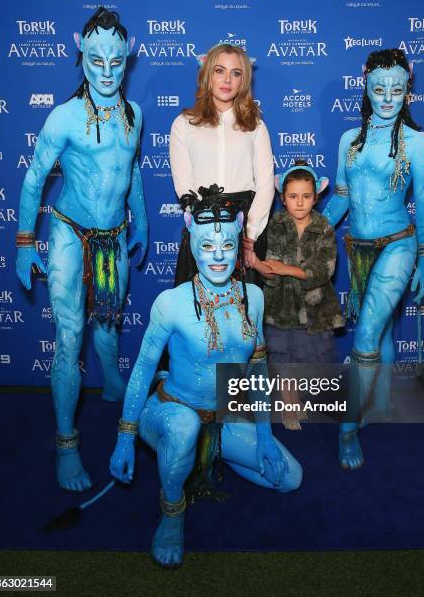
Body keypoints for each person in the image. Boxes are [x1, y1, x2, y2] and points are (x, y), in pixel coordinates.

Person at [110, 186, 302, 568]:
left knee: (291, 478)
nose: (217, 256)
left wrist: (264, 434)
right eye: (207, 246)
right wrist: (124, 440)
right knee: (183, 429)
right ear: (192, 246)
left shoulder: (254, 298)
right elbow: (142, 371)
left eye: (227, 246)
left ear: (239, 244)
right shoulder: (171, 303)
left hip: (223, 419)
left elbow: (259, 371)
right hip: (170, 411)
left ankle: (213, 454)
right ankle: (172, 513)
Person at [15, 8, 148, 491]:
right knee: (70, 338)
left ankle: (112, 383)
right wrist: (25, 244)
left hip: (113, 237)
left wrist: (144, 222)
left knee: (110, 325)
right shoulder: (63, 117)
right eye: (96, 60)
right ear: (80, 52)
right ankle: (66, 442)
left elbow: (131, 172)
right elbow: (33, 181)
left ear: (128, 53)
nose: (108, 71)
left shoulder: (135, 114)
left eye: (116, 60)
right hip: (69, 234)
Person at [322, 49, 424, 469]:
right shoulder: (348, 141)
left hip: (398, 246)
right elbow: (342, 198)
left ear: (408, 88)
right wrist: (312, 226)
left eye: (397, 89)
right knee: (383, 329)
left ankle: (347, 429)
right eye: (379, 89)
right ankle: (382, 405)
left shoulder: (417, 144)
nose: (387, 98)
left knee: (367, 335)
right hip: (359, 250)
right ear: (365, 84)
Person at [169, 43, 274, 284]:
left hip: (245, 224)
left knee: (244, 311)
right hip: (202, 222)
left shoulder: (256, 125)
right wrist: (203, 227)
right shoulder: (183, 124)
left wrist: (250, 233)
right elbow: (184, 184)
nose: (227, 79)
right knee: (200, 313)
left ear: (243, 80)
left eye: (236, 73)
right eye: (219, 71)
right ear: (207, 75)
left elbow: (266, 183)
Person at [252, 162, 345, 430]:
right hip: (279, 306)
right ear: (282, 198)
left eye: (306, 196)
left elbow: (322, 271)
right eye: (293, 196)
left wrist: (286, 269)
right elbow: (272, 267)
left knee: (305, 359)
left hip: (314, 309)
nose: (300, 202)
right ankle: (288, 408)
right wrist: (262, 267)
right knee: (283, 360)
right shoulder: (276, 225)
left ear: (316, 197)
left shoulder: (324, 227)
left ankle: (298, 403)